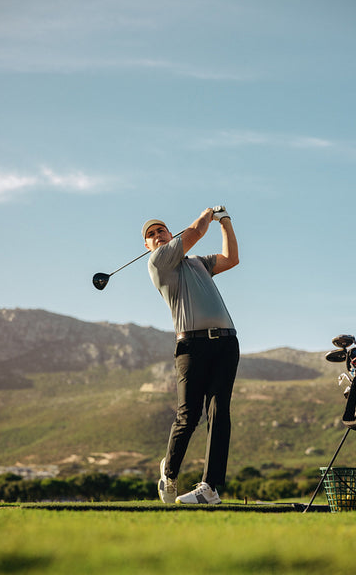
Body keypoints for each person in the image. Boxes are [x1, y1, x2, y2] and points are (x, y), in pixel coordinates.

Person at [142, 206, 240, 504]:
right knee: (189, 415)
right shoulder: (158, 263)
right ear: (147, 246)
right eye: (151, 234)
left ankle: (209, 487)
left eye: (161, 231)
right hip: (191, 347)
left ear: (170, 235)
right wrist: (208, 213)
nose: (157, 235)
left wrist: (226, 222)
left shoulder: (198, 262)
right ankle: (170, 473)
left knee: (219, 413)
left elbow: (231, 259)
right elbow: (196, 232)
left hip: (225, 343)